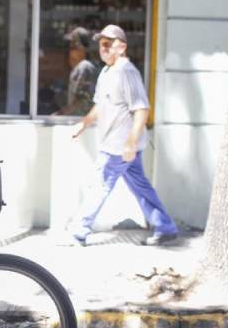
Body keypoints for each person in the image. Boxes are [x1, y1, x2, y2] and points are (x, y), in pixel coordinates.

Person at [69, 24, 178, 246]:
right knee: (140, 187)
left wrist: (129, 143)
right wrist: (83, 124)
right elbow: (100, 106)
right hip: (119, 145)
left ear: (122, 47)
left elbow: (141, 109)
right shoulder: (107, 72)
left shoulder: (127, 72)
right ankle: (165, 226)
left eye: (109, 45)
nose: (104, 49)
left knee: (99, 184)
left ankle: (79, 230)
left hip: (119, 146)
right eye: (101, 45)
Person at [54, 27, 98, 116]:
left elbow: (82, 99)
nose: (70, 51)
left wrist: (62, 114)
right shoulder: (77, 68)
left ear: (83, 48)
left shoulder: (85, 67)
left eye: (73, 46)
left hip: (82, 122)